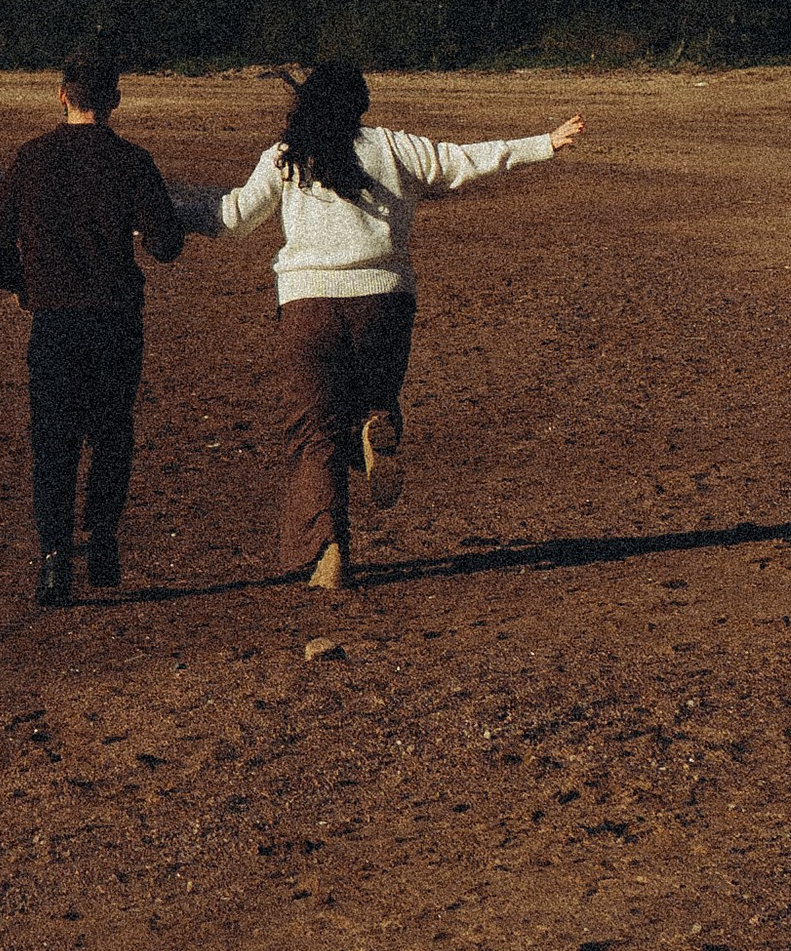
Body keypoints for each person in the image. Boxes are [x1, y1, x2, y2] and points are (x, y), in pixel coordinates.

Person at [199, 60, 585, 594]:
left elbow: (234, 216)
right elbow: (463, 161)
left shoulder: (287, 157)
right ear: (361, 105)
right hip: (384, 302)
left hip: (309, 306)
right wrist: (544, 141)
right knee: (371, 395)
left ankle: (329, 550)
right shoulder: (394, 147)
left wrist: (161, 207)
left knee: (315, 434)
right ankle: (377, 421)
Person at [0, 51, 187, 605]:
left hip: (54, 319)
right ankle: (101, 537)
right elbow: (167, 244)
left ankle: (54, 558)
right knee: (112, 431)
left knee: (53, 439)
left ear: (62, 95)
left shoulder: (31, 159)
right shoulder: (130, 161)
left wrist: (24, 283)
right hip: (115, 317)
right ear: (115, 100)